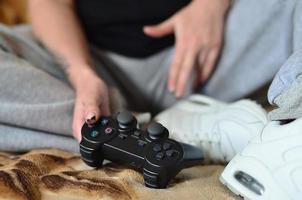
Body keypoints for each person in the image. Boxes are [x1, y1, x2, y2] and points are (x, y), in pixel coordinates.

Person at [0, 0, 298, 153]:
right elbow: (48, 3)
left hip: (208, 54)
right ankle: (146, 133)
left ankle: (292, 131)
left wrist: (212, 4)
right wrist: (81, 72)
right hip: (91, 64)